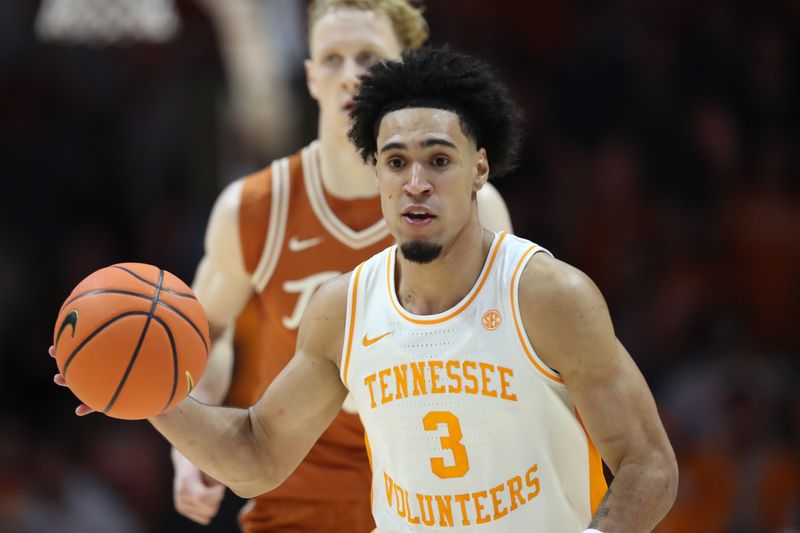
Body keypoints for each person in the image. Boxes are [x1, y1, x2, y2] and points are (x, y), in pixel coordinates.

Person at [54, 47, 677, 532]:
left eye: (439, 159)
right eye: (397, 162)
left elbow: (648, 463)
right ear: (376, 173)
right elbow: (256, 455)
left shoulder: (547, 296)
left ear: (479, 169)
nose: (416, 182)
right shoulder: (344, 308)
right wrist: (146, 392)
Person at [172, 1, 512, 531]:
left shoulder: (469, 205)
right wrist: (190, 446)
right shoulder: (255, 208)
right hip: (297, 502)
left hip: (433, 500)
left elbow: (508, 351)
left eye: (369, 57)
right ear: (309, 75)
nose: (350, 75)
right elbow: (206, 335)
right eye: (331, 58)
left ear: (403, 68)